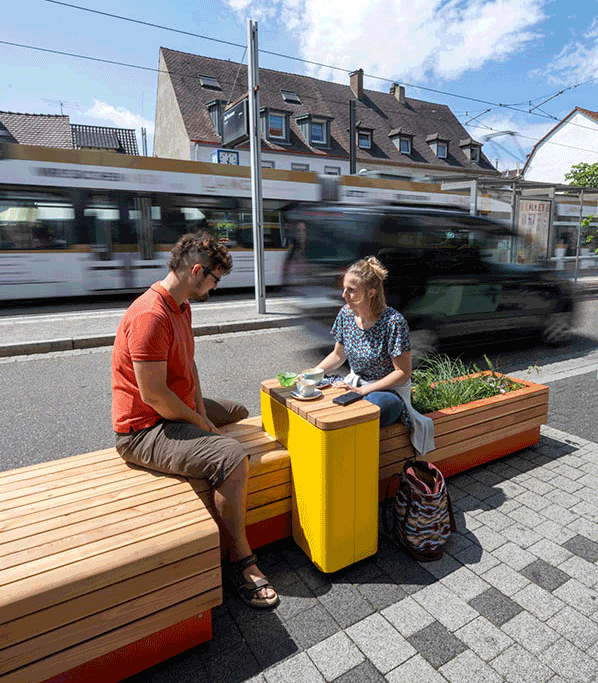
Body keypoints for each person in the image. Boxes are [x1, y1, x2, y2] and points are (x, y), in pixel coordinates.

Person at [111, 232, 278, 609]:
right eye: (214, 280)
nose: (214, 288)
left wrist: (202, 412)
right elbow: (153, 396)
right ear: (197, 270)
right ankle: (241, 560)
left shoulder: (180, 306)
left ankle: (208, 433)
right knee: (232, 457)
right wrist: (202, 427)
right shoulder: (150, 316)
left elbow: (189, 363)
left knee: (234, 412)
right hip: (144, 429)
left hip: (174, 407)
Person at [311, 257, 435, 452]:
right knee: (318, 388)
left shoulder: (394, 322)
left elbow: (402, 373)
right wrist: (313, 373)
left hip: (387, 391)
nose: (344, 295)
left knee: (370, 407)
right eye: (344, 288)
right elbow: (337, 355)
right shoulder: (345, 314)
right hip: (356, 385)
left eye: (351, 290)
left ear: (371, 292)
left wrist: (363, 391)